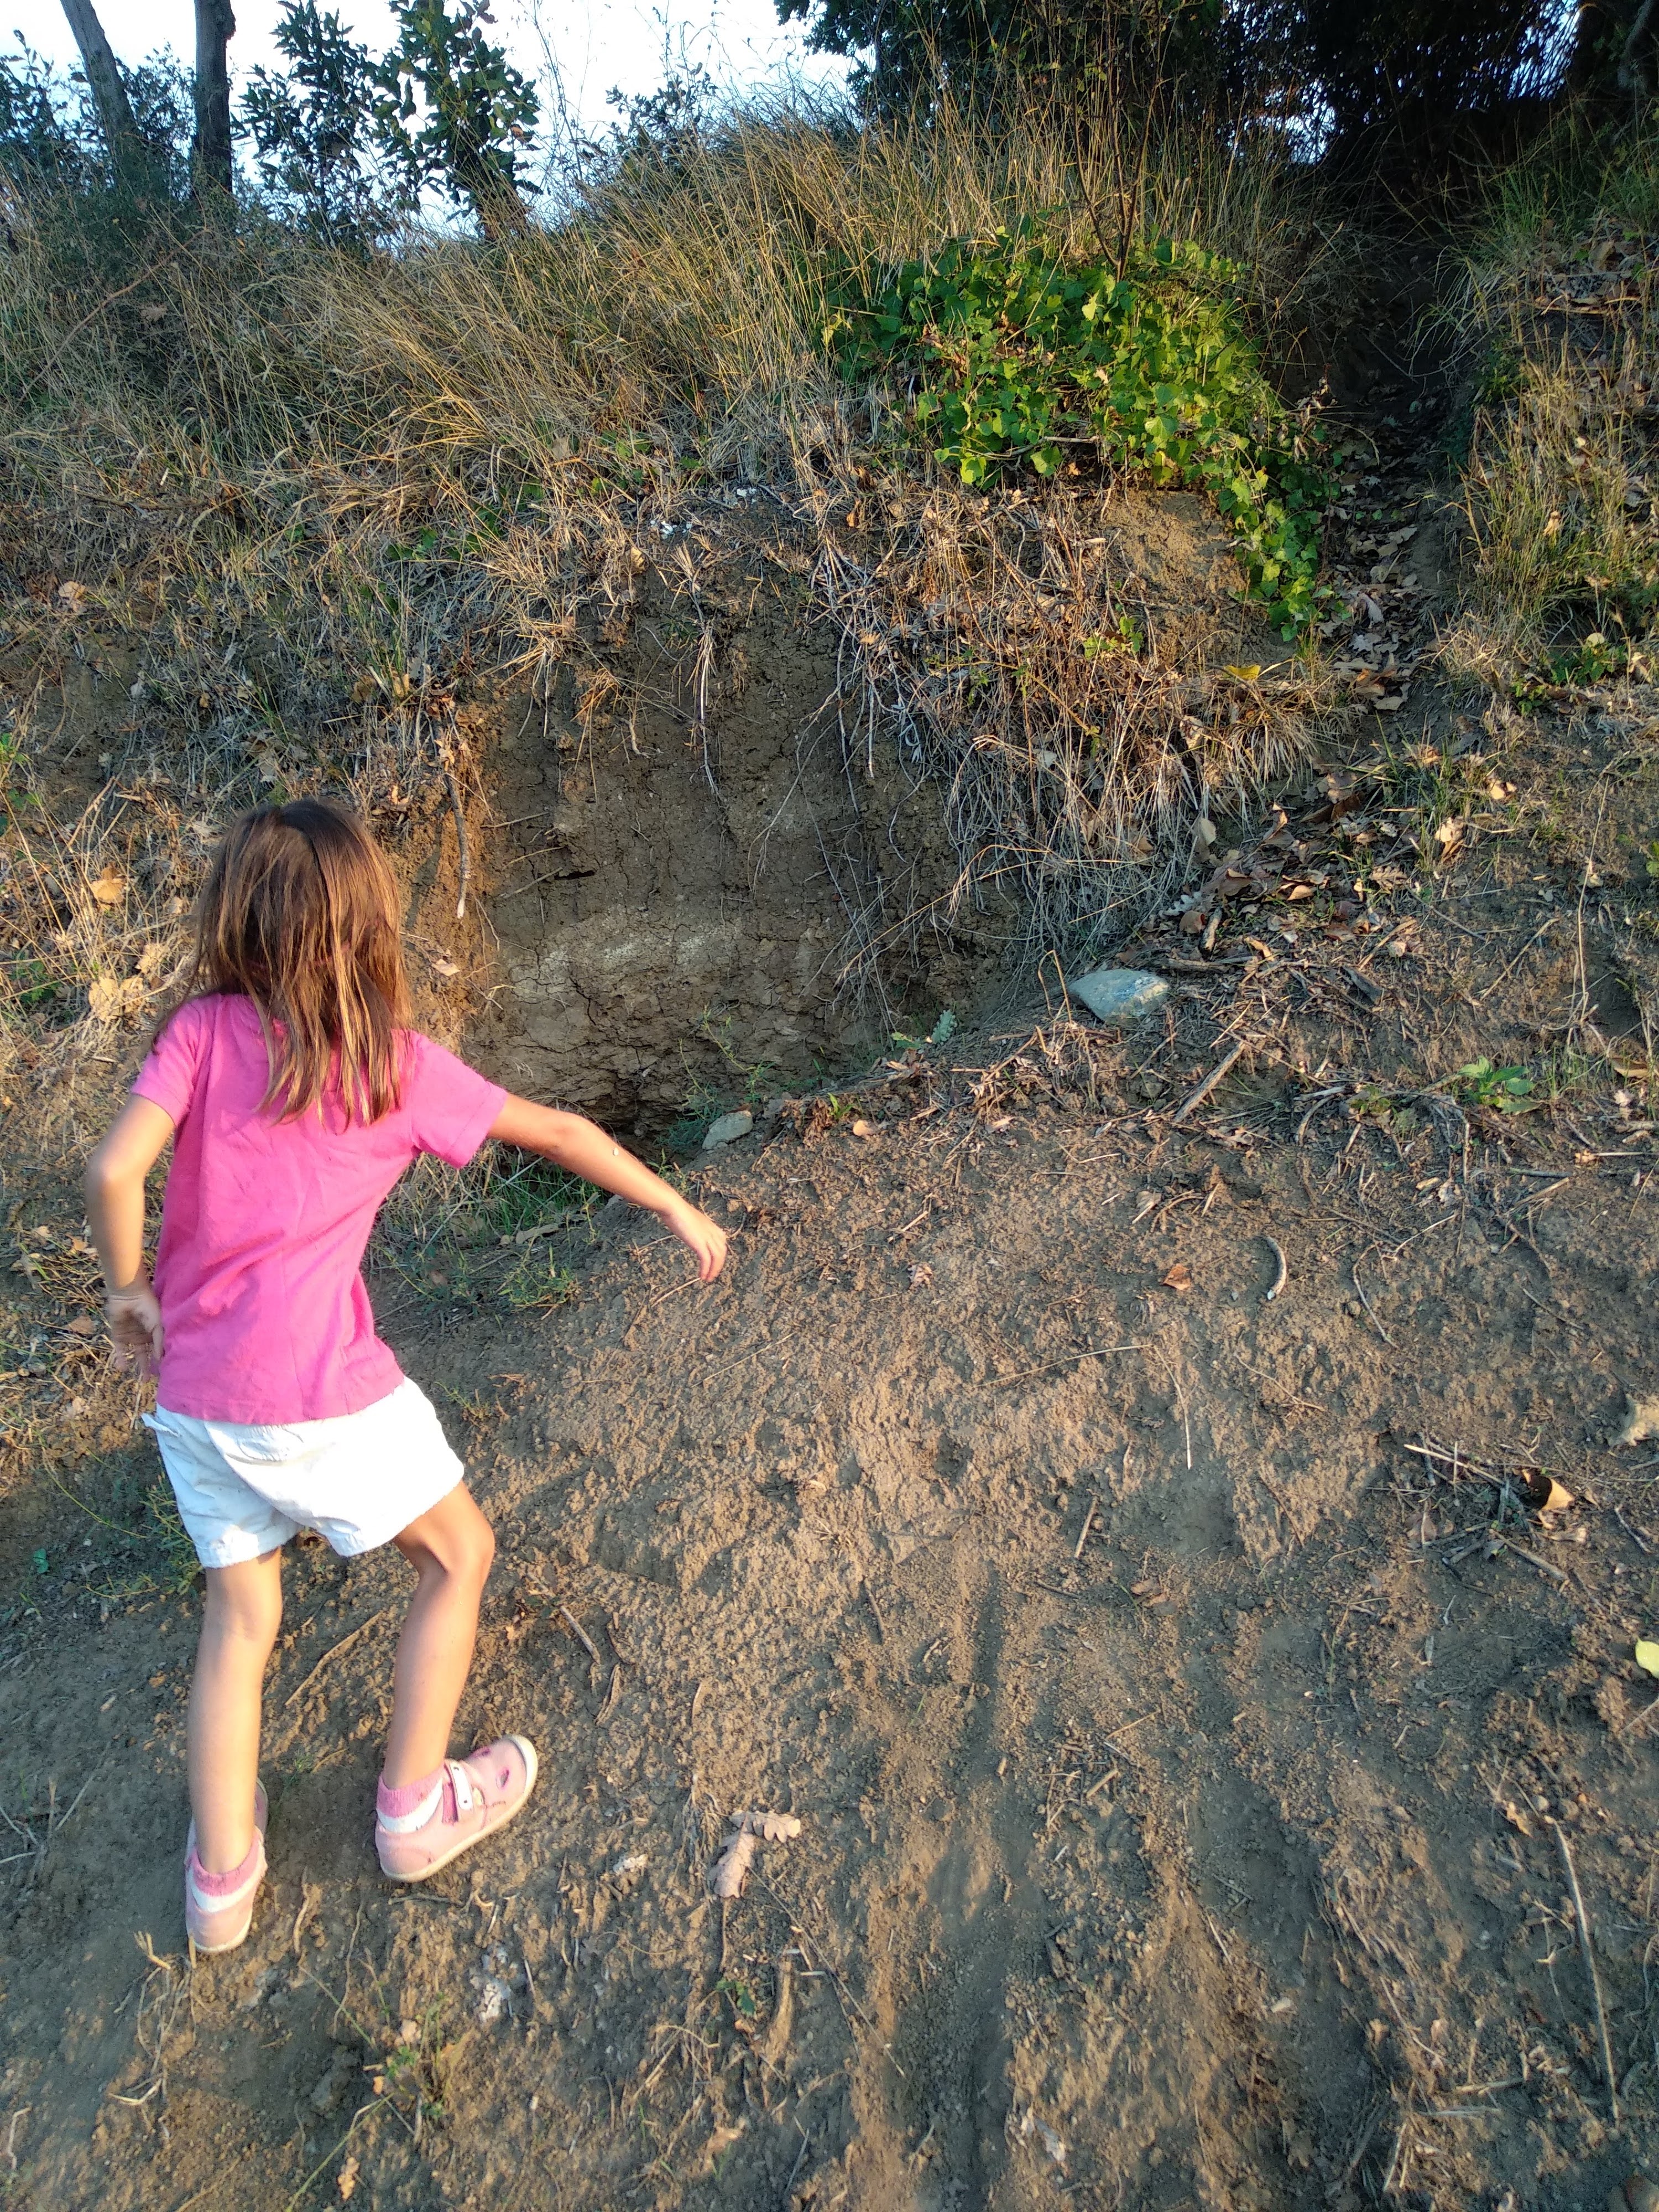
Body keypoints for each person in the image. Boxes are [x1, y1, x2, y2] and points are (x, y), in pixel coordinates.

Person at [82, 797, 727, 1954]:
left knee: (242, 1616)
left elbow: (114, 1170)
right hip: (322, 1395)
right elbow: (560, 1132)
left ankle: (221, 1885)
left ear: (236, 917)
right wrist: (675, 1202)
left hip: (196, 1400)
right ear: (368, 928)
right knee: (460, 1554)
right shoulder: (393, 1066)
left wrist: (129, 1289)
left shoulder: (200, 1033)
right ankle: (415, 1812)